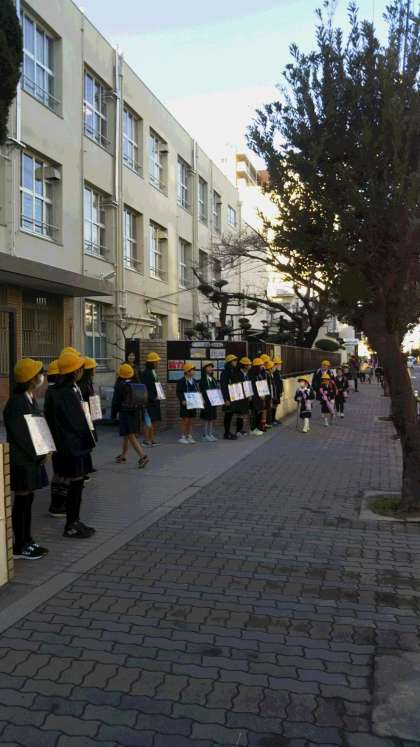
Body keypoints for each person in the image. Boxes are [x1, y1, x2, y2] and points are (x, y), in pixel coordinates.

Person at [45, 351, 97, 539]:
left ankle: (74, 521)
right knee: (76, 483)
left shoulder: (57, 391)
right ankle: (71, 523)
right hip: (72, 446)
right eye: (81, 368)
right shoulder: (66, 393)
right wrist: (89, 437)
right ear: (76, 371)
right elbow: (77, 422)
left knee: (75, 482)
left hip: (67, 445)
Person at [3, 358, 49, 560]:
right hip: (22, 460)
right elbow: (22, 435)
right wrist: (40, 452)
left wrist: (45, 449)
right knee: (22, 501)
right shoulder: (16, 403)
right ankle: (20, 545)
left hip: (31, 458)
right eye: (39, 374)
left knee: (28, 499)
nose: (42, 377)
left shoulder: (29, 398)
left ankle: (27, 540)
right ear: (31, 379)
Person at [111, 363, 149, 468]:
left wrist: (113, 415)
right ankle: (123, 455)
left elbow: (115, 402)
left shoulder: (120, 385)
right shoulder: (136, 383)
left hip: (125, 413)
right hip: (136, 412)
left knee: (130, 435)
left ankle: (143, 456)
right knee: (127, 435)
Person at [44, 359, 67, 518]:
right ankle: (57, 505)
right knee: (61, 472)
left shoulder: (50, 391)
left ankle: (57, 504)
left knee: (58, 471)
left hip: (55, 437)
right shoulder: (55, 392)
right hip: (59, 438)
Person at [79, 357, 98, 478]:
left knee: (90, 441)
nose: (95, 369)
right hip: (86, 415)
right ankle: (85, 469)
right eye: (94, 368)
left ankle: (88, 466)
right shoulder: (82, 384)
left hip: (89, 414)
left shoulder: (89, 382)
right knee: (87, 441)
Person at [141, 352, 162, 447]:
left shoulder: (153, 372)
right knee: (148, 421)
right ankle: (146, 441)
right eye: (156, 361)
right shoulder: (146, 373)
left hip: (155, 400)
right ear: (152, 362)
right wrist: (152, 398)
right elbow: (145, 388)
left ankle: (152, 440)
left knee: (154, 421)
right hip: (149, 401)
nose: (158, 363)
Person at [220, 354, 242, 440]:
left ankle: (228, 432)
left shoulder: (234, 371)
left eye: (236, 360)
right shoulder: (225, 373)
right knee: (228, 414)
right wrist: (226, 399)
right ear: (229, 362)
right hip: (228, 397)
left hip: (234, 396)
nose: (236, 362)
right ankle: (226, 433)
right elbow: (223, 386)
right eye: (234, 361)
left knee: (231, 414)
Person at [176, 362, 200, 444]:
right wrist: (182, 400)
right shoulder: (181, 381)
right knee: (185, 420)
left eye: (193, 370)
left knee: (191, 420)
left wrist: (200, 399)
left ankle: (189, 436)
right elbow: (178, 392)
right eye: (192, 370)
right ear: (187, 371)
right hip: (185, 403)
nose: (193, 372)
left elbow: (197, 391)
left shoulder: (194, 381)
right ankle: (183, 437)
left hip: (193, 403)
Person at [199, 361, 219, 441]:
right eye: (209, 367)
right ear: (205, 369)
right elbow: (201, 391)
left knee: (211, 418)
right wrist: (202, 400)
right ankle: (205, 435)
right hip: (206, 401)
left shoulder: (213, 379)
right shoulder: (203, 379)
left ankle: (210, 434)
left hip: (213, 401)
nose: (211, 369)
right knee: (206, 418)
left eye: (211, 367)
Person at [249, 358, 266, 436]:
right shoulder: (252, 375)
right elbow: (252, 386)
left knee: (259, 412)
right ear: (256, 366)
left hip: (260, 396)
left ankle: (258, 427)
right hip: (255, 396)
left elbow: (262, 383)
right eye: (261, 365)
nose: (262, 367)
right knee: (255, 412)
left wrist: (263, 393)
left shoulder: (259, 374)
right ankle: (253, 428)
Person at [236, 356, 252, 436]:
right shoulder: (239, 374)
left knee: (244, 413)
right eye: (249, 365)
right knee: (240, 414)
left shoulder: (246, 374)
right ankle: (238, 430)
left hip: (246, 395)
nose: (250, 366)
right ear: (245, 365)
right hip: (241, 396)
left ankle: (241, 429)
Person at [272, 356, 284, 424]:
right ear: (276, 364)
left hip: (278, 391)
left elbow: (280, 382)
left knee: (276, 405)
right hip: (275, 392)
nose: (280, 365)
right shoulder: (273, 372)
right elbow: (275, 383)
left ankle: (274, 418)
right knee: (274, 405)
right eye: (279, 364)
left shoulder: (278, 372)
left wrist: (281, 391)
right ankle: (272, 419)